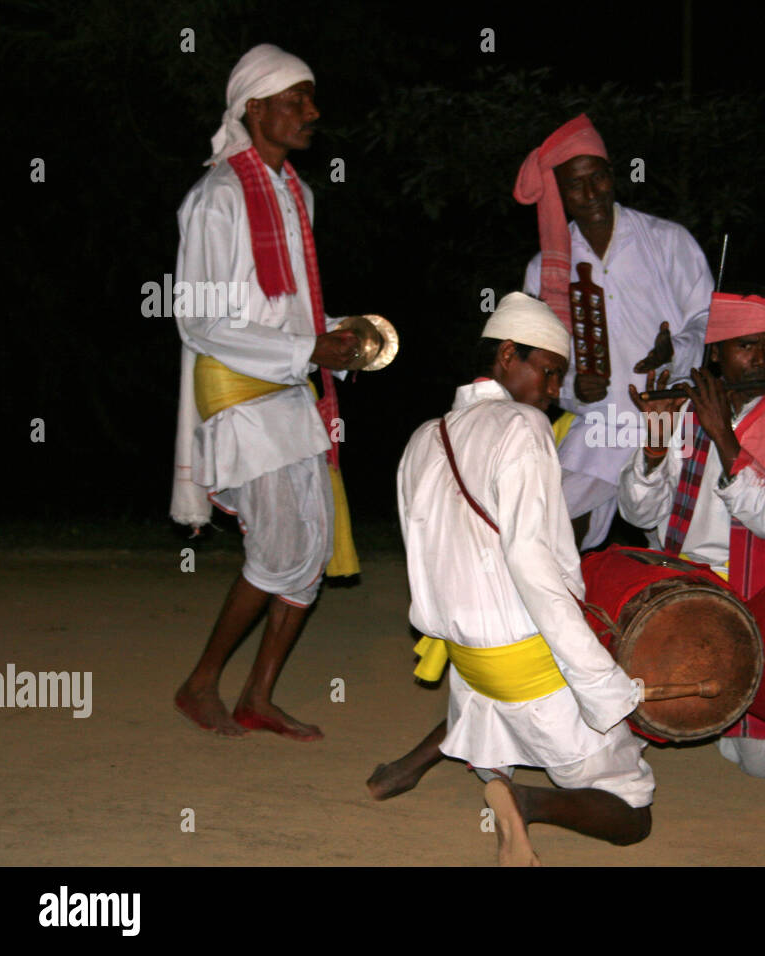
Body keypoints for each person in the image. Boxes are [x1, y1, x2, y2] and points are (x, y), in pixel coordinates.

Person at [372, 293, 654, 865]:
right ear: (507, 355)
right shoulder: (524, 427)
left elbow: (424, 554)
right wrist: (603, 683)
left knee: (490, 701)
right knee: (632, 816)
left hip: (470, 661)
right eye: (549, 373)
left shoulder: (424, 436)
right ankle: (524, 801)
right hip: (528, 666)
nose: (555, 393)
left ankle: (412, 768)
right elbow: (531, 564)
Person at [171, 44, 365, 741]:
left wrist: (338, 337)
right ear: (254, 109)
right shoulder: (217, 196)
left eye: (311, 100)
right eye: (296, 100)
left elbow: (286, 309)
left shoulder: (298, 193)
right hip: (241, 391)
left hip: (289, 389)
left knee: (310, 550)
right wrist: (303, 347)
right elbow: (198, 317)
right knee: (281, 549)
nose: (313, 113)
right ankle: (200, 684)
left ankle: (257, 694)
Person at [618, 278, 765, 778]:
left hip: (754, 592)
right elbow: (637, 516)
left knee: (762, 764)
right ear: (716, 355)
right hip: (678, 584)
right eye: (746, 344)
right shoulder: (680, 412)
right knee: (636, 714)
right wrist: (652, 449)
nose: (761, 357)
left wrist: (726, 440)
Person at [515, 114, 714, 549]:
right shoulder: (546, 267)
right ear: (559, 194)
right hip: (602, 421)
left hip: (672, 417)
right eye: (574, 185)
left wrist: (673, 350)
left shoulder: (667, 241)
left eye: (598, 179)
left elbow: (707, 322)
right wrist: (572, 388)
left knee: (678, 549)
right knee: (551, 528)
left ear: (612, 176)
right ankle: (562, 613)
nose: (590, 194)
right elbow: (540, 358)